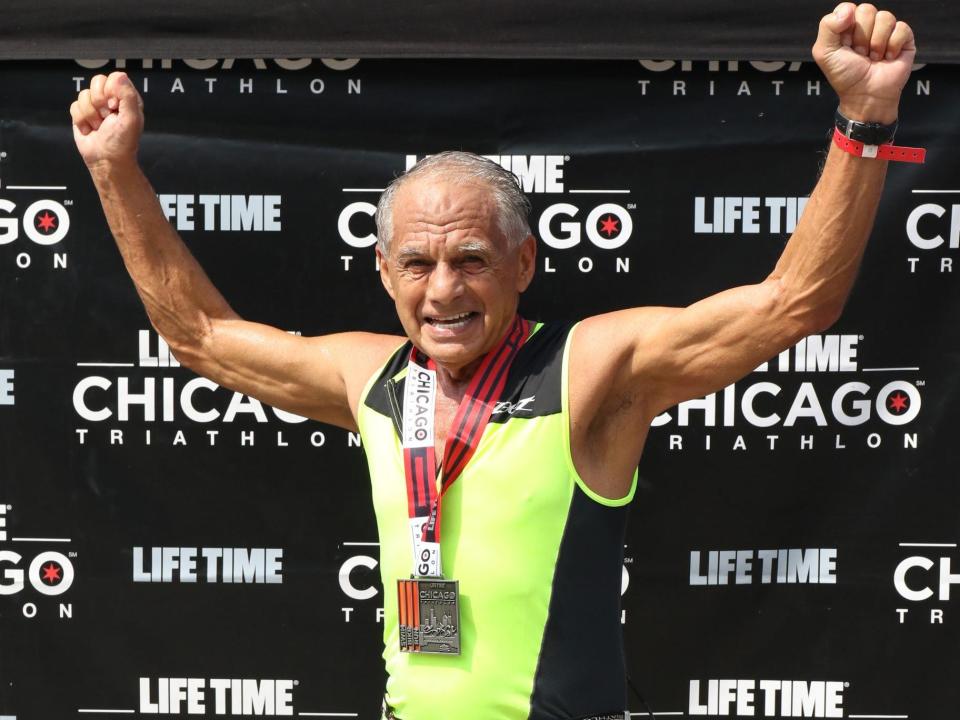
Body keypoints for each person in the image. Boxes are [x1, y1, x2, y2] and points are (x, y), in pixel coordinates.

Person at [69, 4, 917, 719]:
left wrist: (864, 120)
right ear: (383, 273)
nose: (443, 289)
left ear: (524, 265)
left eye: (472, 258)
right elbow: (200, 339)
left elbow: (793, 304)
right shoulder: (369, 380)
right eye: (416, 263)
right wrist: (113, 171)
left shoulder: (592, 369)